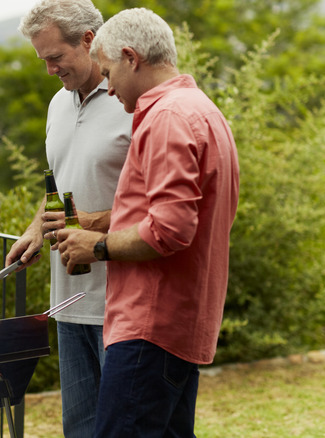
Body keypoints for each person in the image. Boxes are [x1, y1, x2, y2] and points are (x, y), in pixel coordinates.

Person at [55, 8, 240, 437]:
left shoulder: (167, 118)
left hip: (150, 326)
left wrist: (94, 247)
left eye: (108, 72)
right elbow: (180, 210)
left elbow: (172, 229)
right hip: (180, 319)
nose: (109, 86)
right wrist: (97, 222)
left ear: (130, 57)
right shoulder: (201, 109)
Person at [6, 1, 131, 436]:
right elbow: (57, 190)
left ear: (89, 40)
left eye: (55, 57)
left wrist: (94, 226)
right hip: (69, 302)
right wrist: (34, 229)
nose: (49, 70)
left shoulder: (132, 102)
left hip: (124, 305)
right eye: (43, 60)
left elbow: (160, 209)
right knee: (79, 429)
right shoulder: (57, 105)